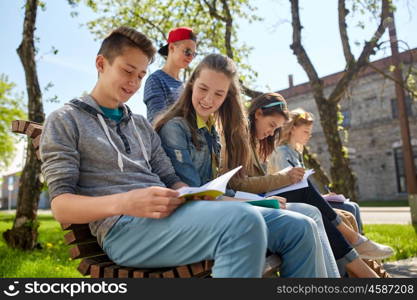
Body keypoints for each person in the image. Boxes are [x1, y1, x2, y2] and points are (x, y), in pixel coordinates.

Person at [41, 27, 275, 278]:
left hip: (171, 216)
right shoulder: (65, 120)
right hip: (124, 231)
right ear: (101, 63)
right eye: (127, 71)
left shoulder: (140, 125)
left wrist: (195, 195)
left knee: (299, 222)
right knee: (244, 223)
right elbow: (61, 207)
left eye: (141, 75)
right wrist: (126, 202)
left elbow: (171, 178)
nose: (134, 83)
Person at [156, 53, 328, 277]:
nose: (208, 99)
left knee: (308, 217)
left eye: (219, 94)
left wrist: (260, 202)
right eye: (203, 89)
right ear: (191, 85)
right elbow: (193, 194)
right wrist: (256, 204)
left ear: (227, 96)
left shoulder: (213, 131)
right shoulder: (175, 128)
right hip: (198, 219)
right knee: (301, 227)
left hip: (217, 210)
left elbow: (218, 189)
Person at [227, 92, 393, 277]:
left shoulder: (258, 144)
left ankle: (365, 268)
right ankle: (361, 255)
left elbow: (258, 182)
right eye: (271, 125)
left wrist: (287, 179)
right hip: (250, 204)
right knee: (313, 199)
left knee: (332, 210)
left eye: (276, 129)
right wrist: (285, 178)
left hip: (263, 201)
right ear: (258, 114)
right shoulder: (239, 139)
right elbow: (238, 184)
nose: (271, 132)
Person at [270, 109, 364, 233]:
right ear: (292, 129)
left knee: (354, 206)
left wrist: (322, 197)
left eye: (310, 132)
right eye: (305, 132)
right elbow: (290, 188)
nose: (308, 136)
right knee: (349, 208)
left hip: (303, 198)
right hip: (289, 201)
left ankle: (360, 244)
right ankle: (356, 245)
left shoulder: (296, 152)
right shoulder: (282, 152)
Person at [144, 27, 197, 123]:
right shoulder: (155, 80)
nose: (191, 58)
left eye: (194, 54)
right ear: (172, 47)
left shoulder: (185, 87)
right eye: (187, 52)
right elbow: (156, 121)